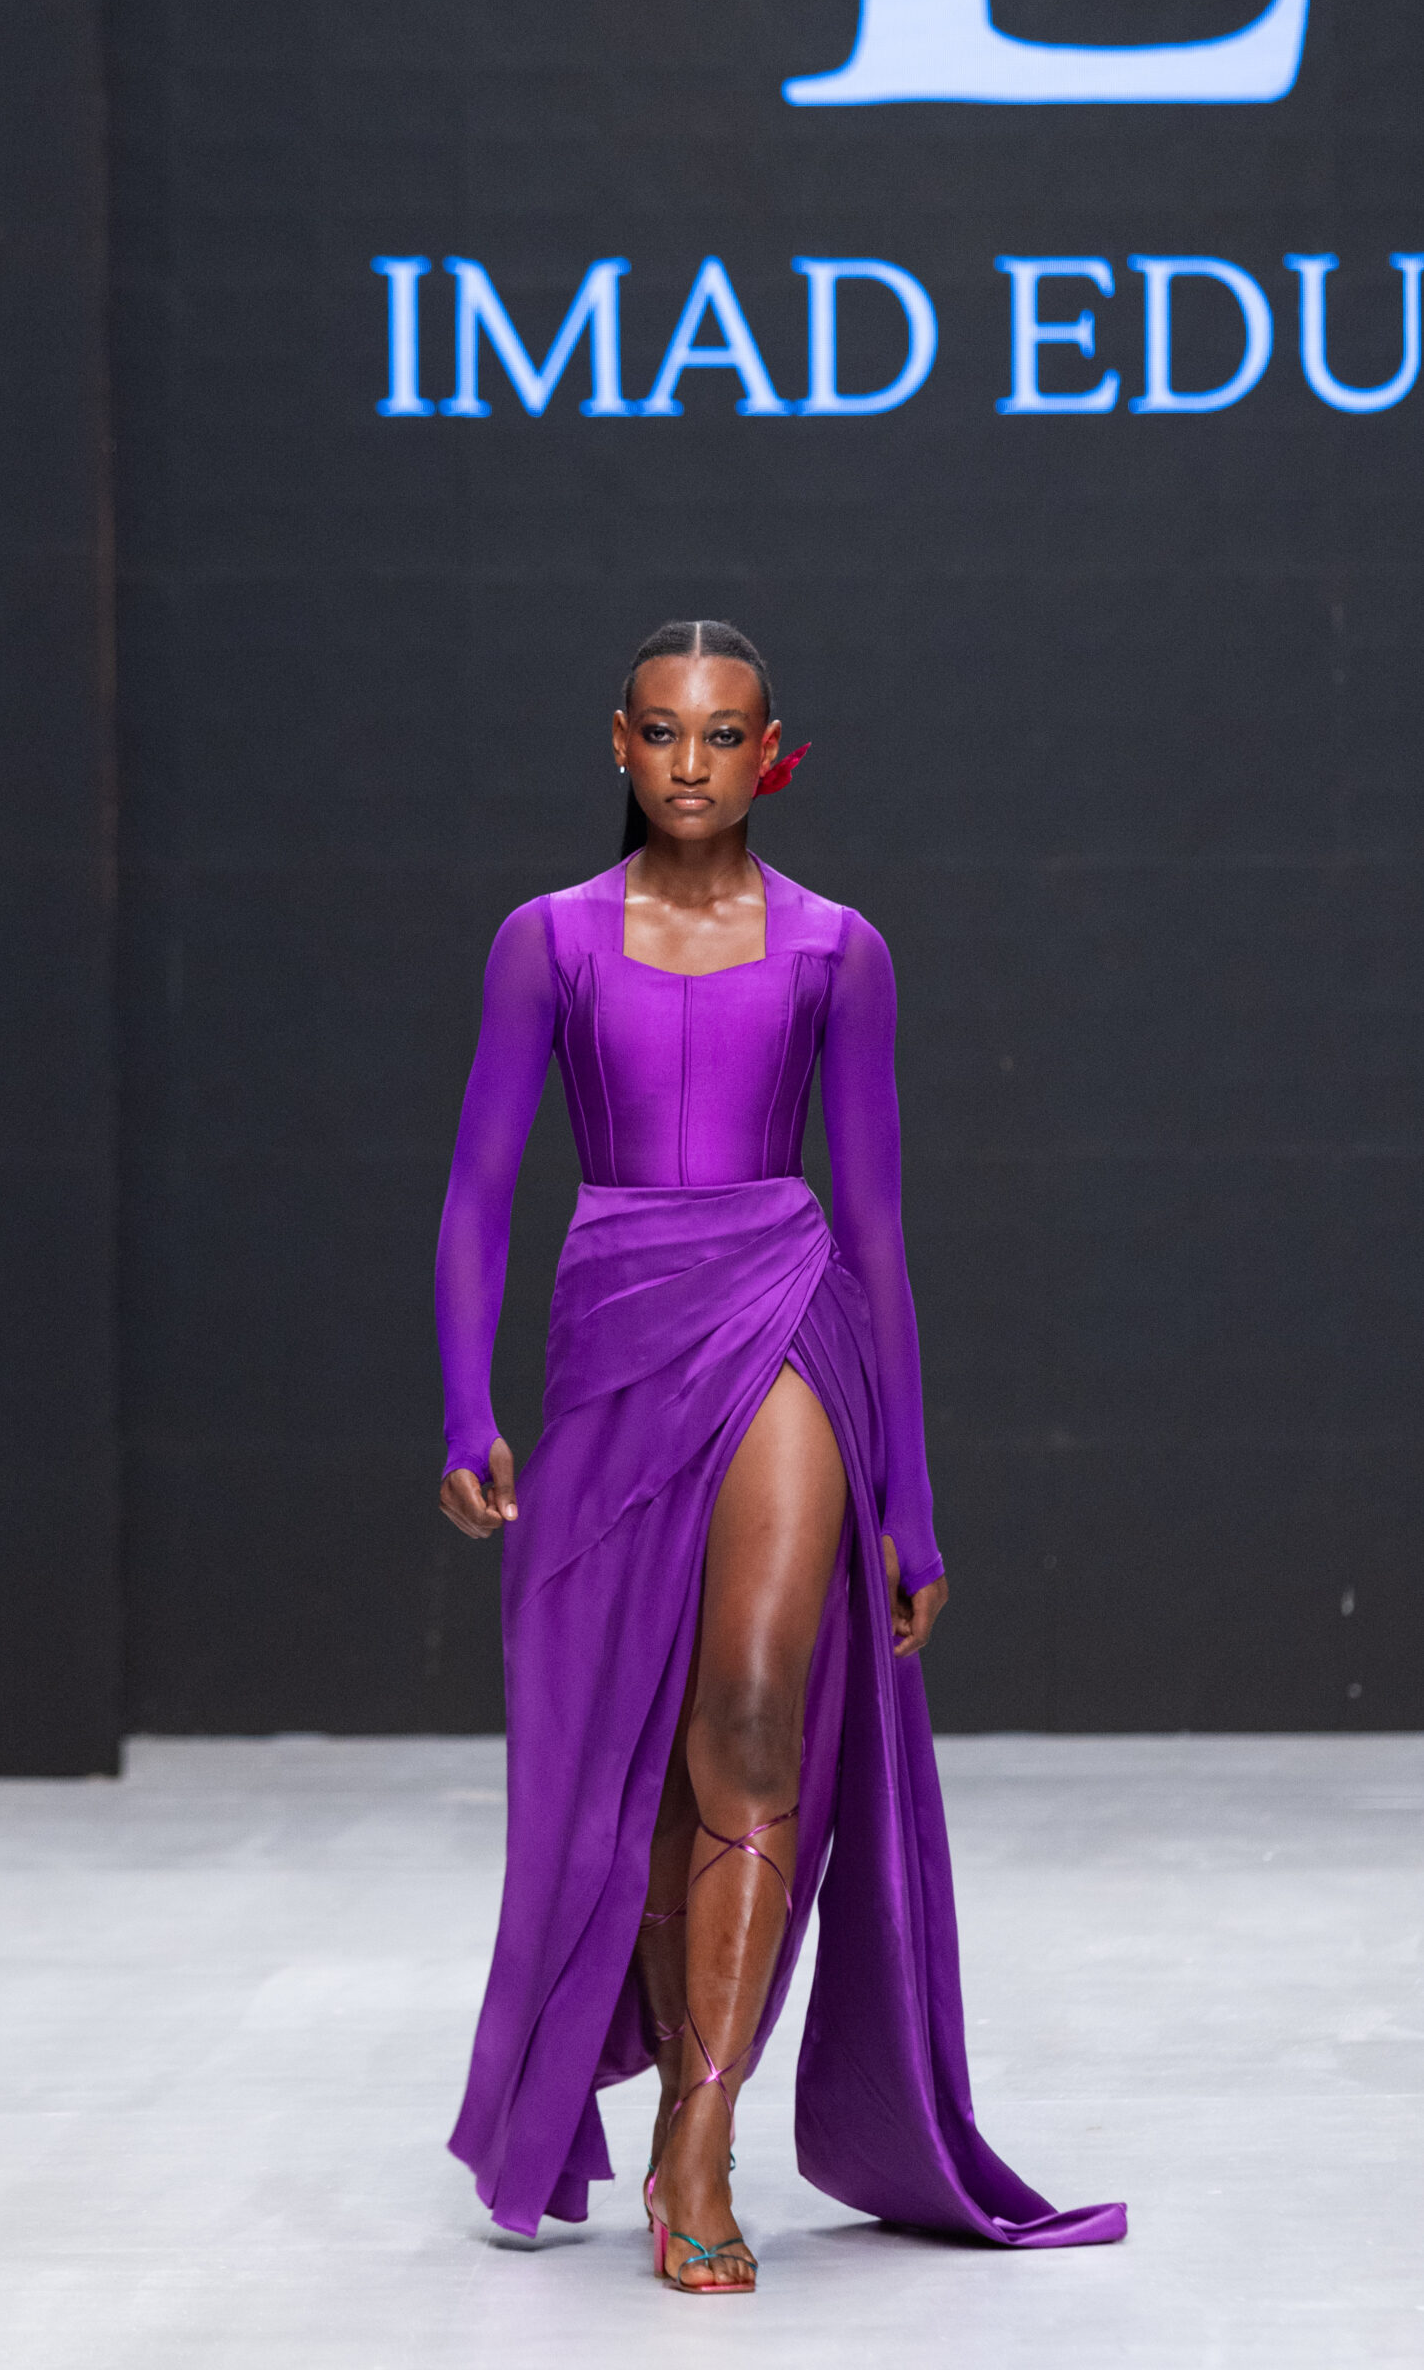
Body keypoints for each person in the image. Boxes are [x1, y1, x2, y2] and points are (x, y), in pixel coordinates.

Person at [435, 619, 1125, 2290]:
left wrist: (913, 1498)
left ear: (773, 753)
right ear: (620, 745)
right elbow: (480, 1190)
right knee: (635, 1765)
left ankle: (703, 2136)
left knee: (751, 1715)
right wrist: (466, 1405)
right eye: (666, 731)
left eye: (725, 733)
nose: (694, 762)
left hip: (787, 1313)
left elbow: (877, 1228)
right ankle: (674, 2078)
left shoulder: (838, 951)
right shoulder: (546, 942)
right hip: (616, 1336)